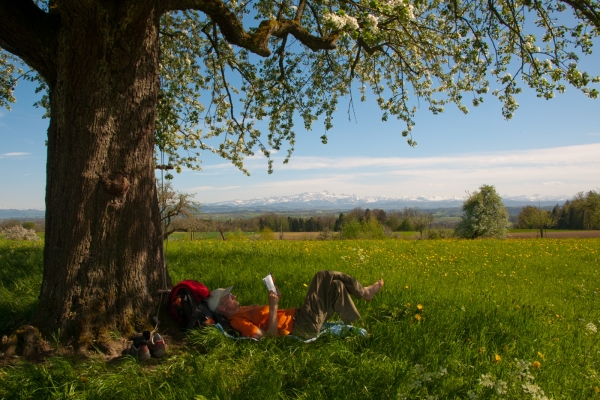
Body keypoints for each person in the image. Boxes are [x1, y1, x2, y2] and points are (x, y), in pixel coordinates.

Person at [206, 270, 384, 339]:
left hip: (299, 316)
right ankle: (364, 292)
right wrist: (274, 306)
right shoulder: (237, 321)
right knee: (322, 276)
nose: (234, 296)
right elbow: (268, 338)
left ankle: (360, 329)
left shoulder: (242, 309)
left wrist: (276, 301)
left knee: (336, 286)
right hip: (301, 326)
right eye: (229, 296)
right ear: (222, 308)